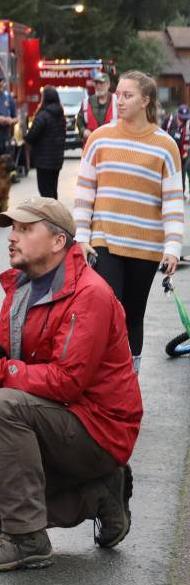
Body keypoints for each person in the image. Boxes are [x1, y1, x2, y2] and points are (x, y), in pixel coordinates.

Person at [0, 197, 141, 571]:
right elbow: (0, 368)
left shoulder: (90, 295)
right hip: (51, 422)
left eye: (24, 229)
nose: (12, 237)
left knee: (3, 405)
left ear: (57, 242)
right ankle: (100, 493)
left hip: (100, 430)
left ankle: (26, 539)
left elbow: (65, 382)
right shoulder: (21, 287)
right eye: (12, 229)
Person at [73, 70, 184, 373]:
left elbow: (173, 201)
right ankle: (102, 379)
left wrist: (173, 247)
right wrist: (81, 237)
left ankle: (128, 381)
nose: (118, 101)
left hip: (146, 246)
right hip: (103, 242)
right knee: (108, 313)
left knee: (134, 315)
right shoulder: (99, 139)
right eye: (117, 94)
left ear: (145, 100)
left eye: (127, 95)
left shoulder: (166, 146)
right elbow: (84, 193)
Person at [24, 86, 67, 199]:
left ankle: (49, 216)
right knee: (53, 190)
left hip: (43, 161)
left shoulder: (43, 115)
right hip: (57, 160)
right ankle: (55, 214)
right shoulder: (61, 115)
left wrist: (25, 136)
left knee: (45, 192)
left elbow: (31, 135)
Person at [77, 72, 117, 141]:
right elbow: (79, 122)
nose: (98, 86)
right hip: (91, 147)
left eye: (101, 83)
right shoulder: (86, 102)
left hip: (112, 145)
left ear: (108, 84)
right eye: (96, 83)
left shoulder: (117, 101)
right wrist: (84, 131)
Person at [162, 103, 189, 193]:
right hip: (167, 153)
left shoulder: (188, 124)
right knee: (167, 174)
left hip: (182, 154)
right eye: (181, 118)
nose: (183, 121)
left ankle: (180, 193)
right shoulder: (169, 120)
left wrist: (186, 151)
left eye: (185, 119)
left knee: (182, 174)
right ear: (177, 115)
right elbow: (161, 132)